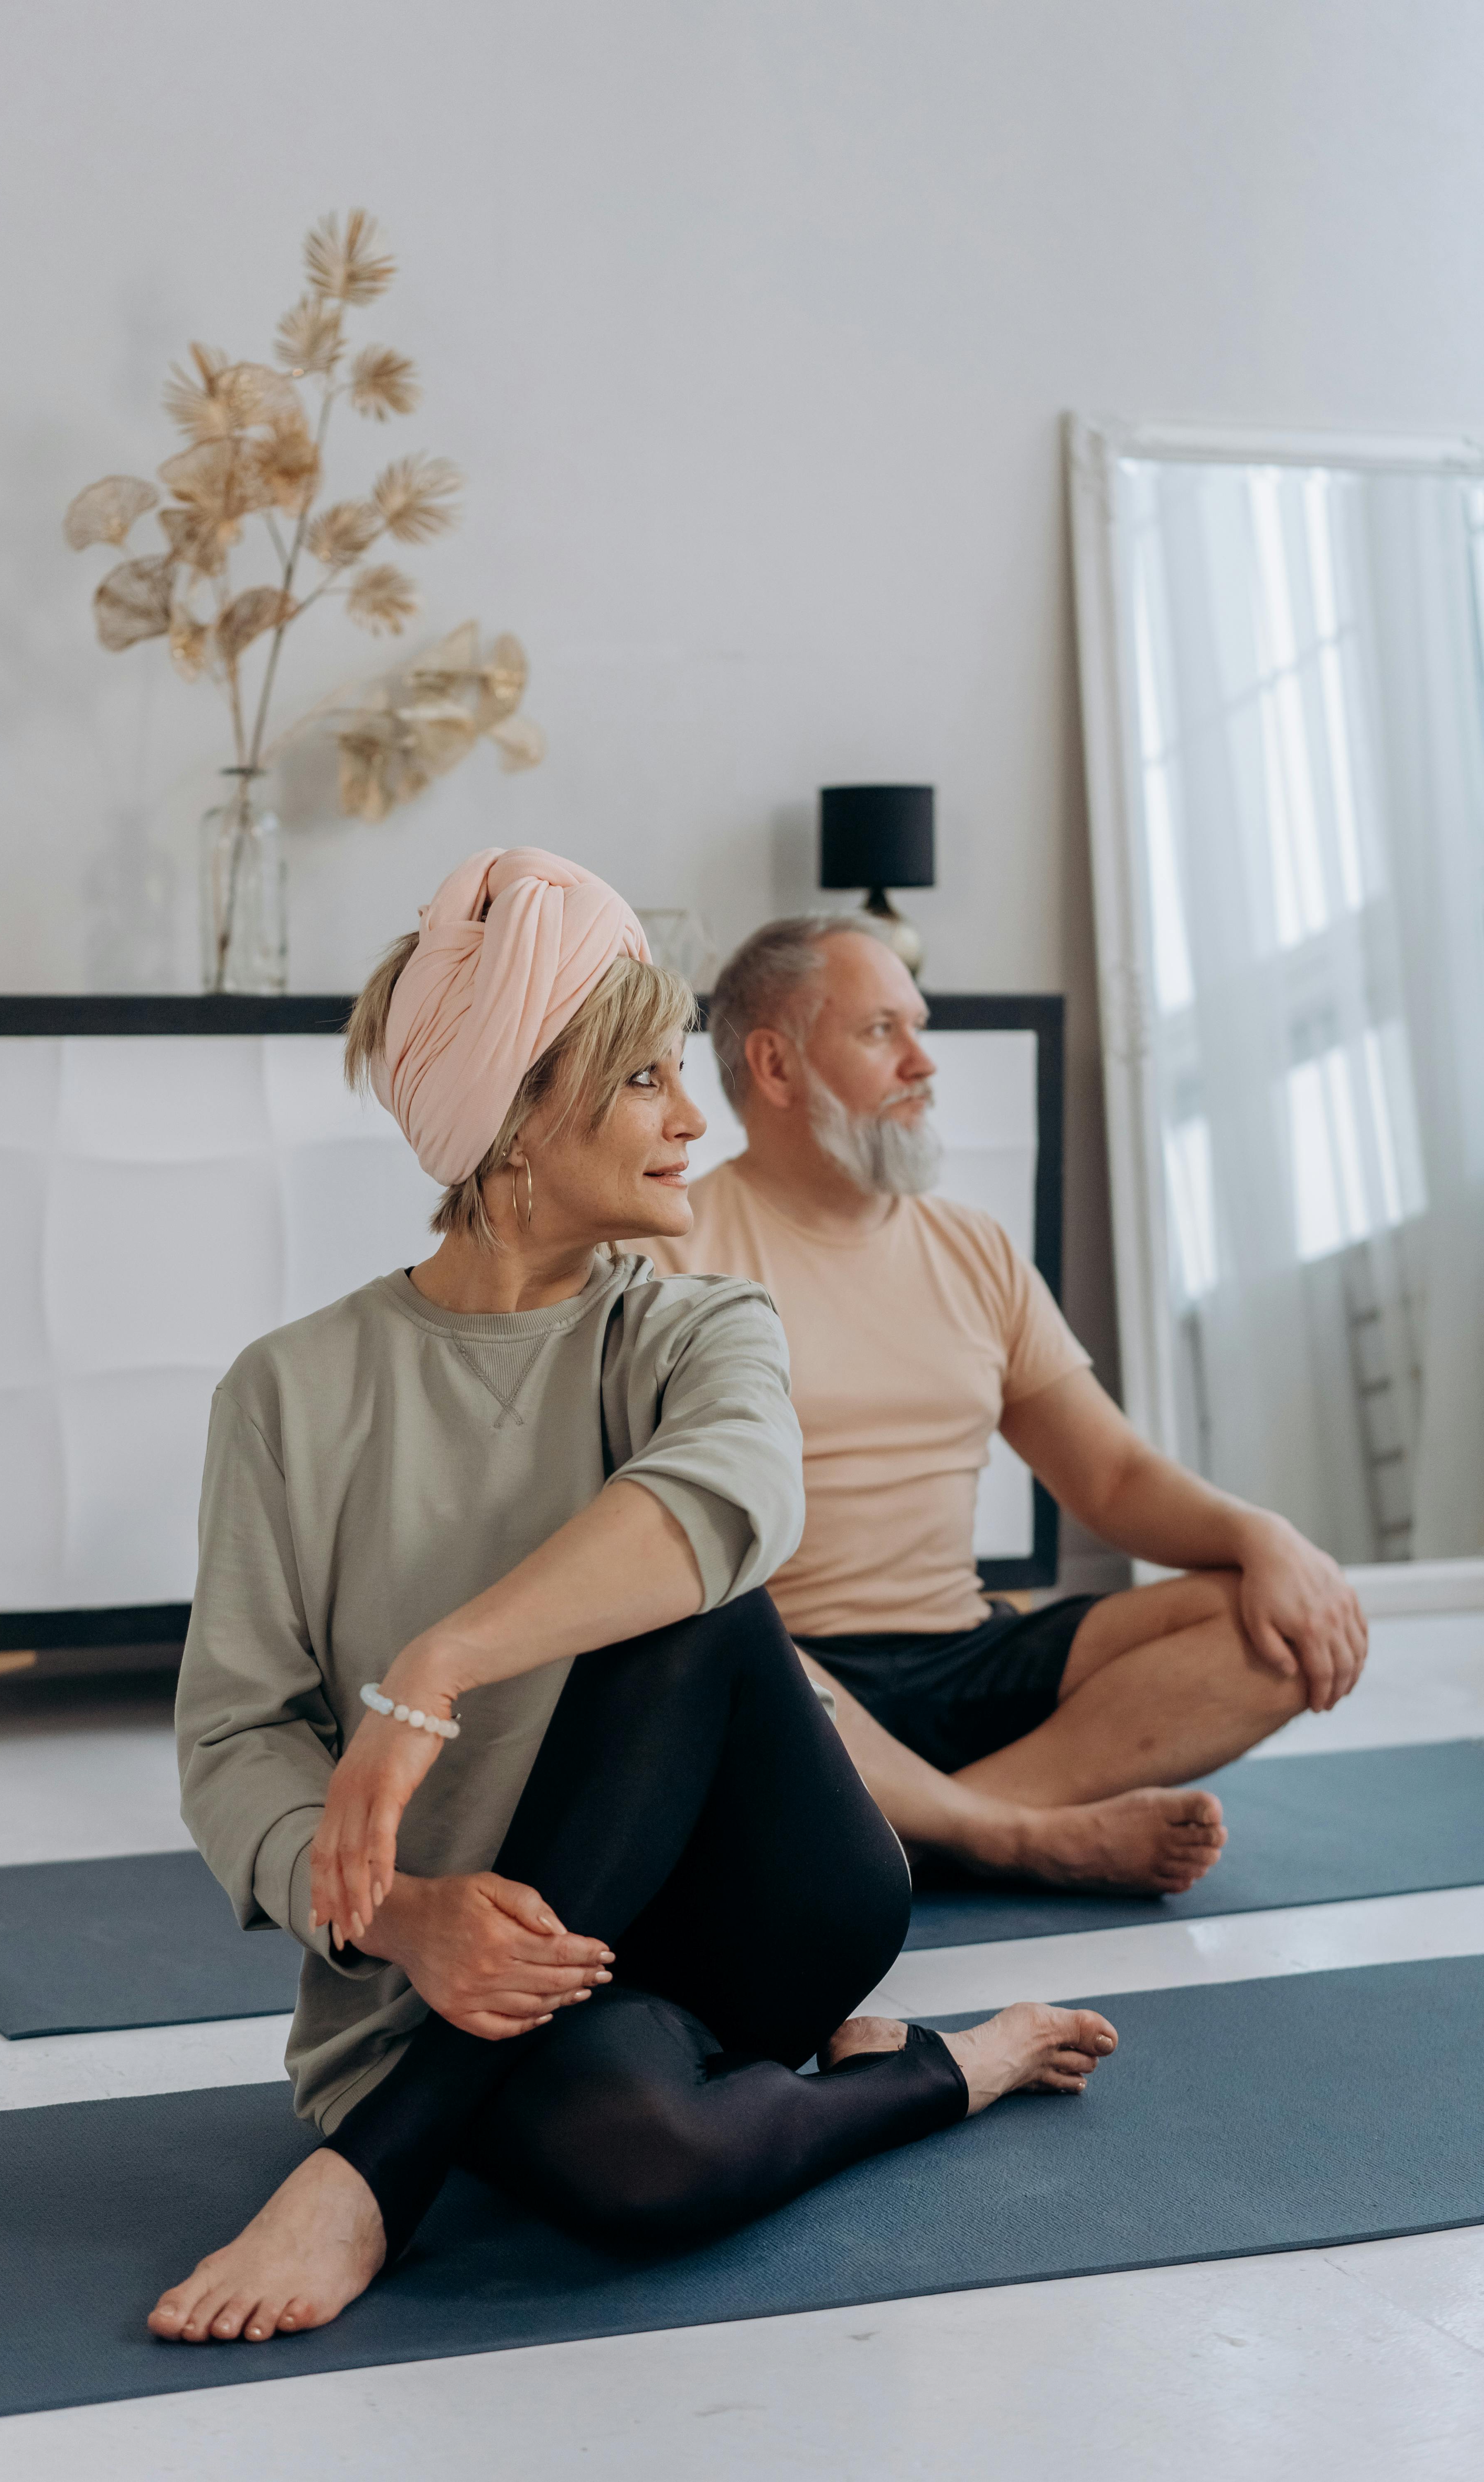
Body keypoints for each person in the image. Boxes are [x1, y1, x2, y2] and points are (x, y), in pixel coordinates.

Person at [149, 849, 1116, 2348]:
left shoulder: (699, 1326)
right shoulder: (289, 1393)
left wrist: (435, 1672)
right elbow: (233, 1741)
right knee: (645, 2167)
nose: (694, 1120)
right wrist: (406, 1922)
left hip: (756, 1909)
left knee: (695, 1598)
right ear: (524, 1119)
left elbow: (736, 1499)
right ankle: (947, 2068)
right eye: (650, 1081)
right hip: (465, 1982)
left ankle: (372, 2176)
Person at [646, 915, 1369, 1896]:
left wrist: (1263, 1537)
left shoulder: (973, 1249)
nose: (921, 1063)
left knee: (1269, 1633)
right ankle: (1015, 1836)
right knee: (694, 1641)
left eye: (918, 1026)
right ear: (774, 1067)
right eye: (880, 1033)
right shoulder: (669, 1257)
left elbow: (1108, 1477)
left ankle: (923, 1833)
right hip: (790, 1678)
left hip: (963, 1650)